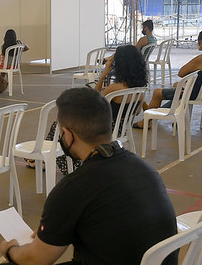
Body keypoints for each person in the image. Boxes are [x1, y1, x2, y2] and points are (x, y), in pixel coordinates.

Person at [0, 87, 178, 265]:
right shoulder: (143, 168)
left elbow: (37, 261)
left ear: (68, 134)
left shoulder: (74, 187)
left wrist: (10, 251)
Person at [38, 45, 147, 174]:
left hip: (105, 129)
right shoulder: (141, 88)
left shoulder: (115, 88)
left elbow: (95, 101)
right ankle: (43, 161)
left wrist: (104, 73)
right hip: (122, 128)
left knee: (59, 127)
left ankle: (56, 162)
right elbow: (138, 111)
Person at [138, 29, 202, 112]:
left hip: (195, 93)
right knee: (177, 89)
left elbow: (181, 73)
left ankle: (150, 117)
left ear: (201, 42)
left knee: (157, 92)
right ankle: (153, 112)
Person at [0, 29, 29, 94]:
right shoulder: (19, 43)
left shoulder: (4, 46)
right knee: (3, 67)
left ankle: (2, 81)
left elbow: (3, 58)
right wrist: (20, 50)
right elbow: (27, 47)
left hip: (7, 65)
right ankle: (2, 83)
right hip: (15, 65)